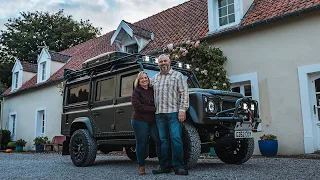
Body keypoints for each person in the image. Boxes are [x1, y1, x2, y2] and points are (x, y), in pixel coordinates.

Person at [151, 54, 189, 175]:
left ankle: (179, 167)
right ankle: (164, 166)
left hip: (173, 113)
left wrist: (183, 109)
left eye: (165, 61)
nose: (163, 63)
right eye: (160, 61)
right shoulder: (155, 78)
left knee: (176, 138)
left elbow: (184, 93)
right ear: (158, 64)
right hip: (159, 114)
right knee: (163, 141)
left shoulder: (177, 76)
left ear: (169, 62)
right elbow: (146, 91)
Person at [131, 71, 164, 175]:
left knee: (159, 140)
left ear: (148, 80)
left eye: (146, 78)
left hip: (153, 120)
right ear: (138, 81)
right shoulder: (136, 92)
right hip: (139, 120)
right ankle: (141, 166)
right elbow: (138, 106)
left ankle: (162, 165)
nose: (144, 80)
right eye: (142, 78)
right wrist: (154, 109)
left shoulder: (152, 90)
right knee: (142, 143)